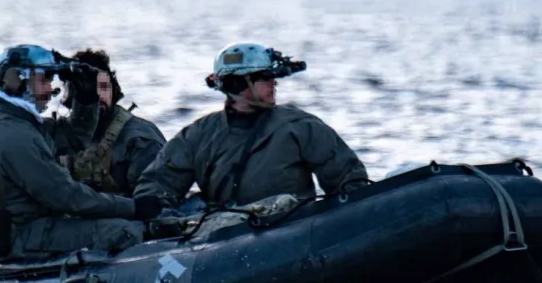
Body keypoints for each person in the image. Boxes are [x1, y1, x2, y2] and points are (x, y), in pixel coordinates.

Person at [0, 44, 156, 262]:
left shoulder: (20, 123)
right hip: (10, 239)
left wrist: (85, 100)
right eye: (44, 80)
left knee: (116, 223)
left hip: (27, 226)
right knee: (121, 231)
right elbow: (64, 195)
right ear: (18, 81)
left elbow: (73, 137)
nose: (50, 90)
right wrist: (133, 207)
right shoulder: (12, 136)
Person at [134, 43, 368, 209]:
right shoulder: (198, 134)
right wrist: (156, 207)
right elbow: (159, 182)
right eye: (265, 78)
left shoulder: (301, 127)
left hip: (289, 228)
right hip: (221, 236)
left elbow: (349, 180)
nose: (273, 84)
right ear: (238, 84)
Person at [56, 48, 166, 197]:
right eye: (89, 88)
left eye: (104, 87)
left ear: (113, 89)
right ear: (72, 93)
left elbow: (154, 202)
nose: (99, 95)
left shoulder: (140, 139)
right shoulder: (58, 136)